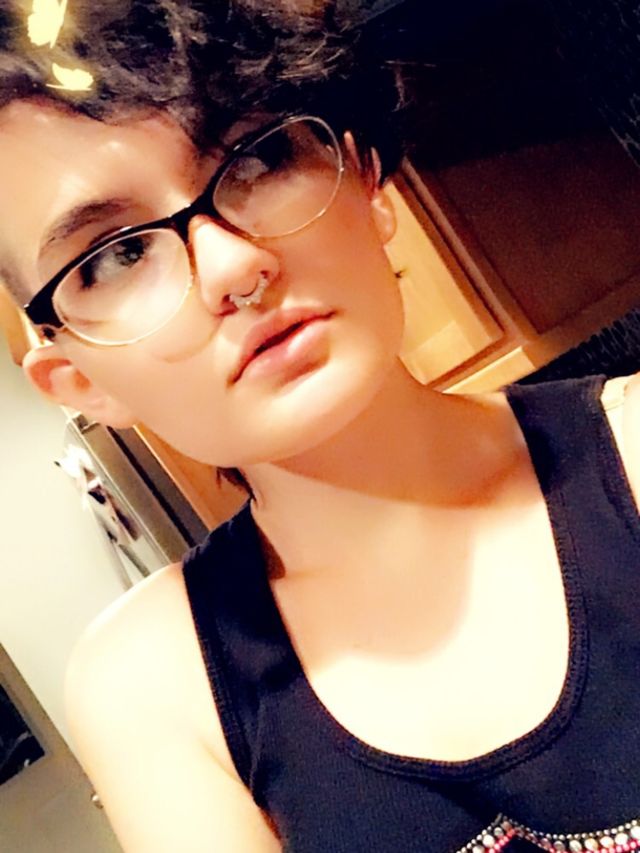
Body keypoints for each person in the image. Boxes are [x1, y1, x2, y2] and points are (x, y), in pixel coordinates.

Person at [2, 1, 640, 850]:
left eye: (257, 158)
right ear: (79, 379)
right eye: (116, 254)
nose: (234, 265)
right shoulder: (152, 684)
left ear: (369, 184)